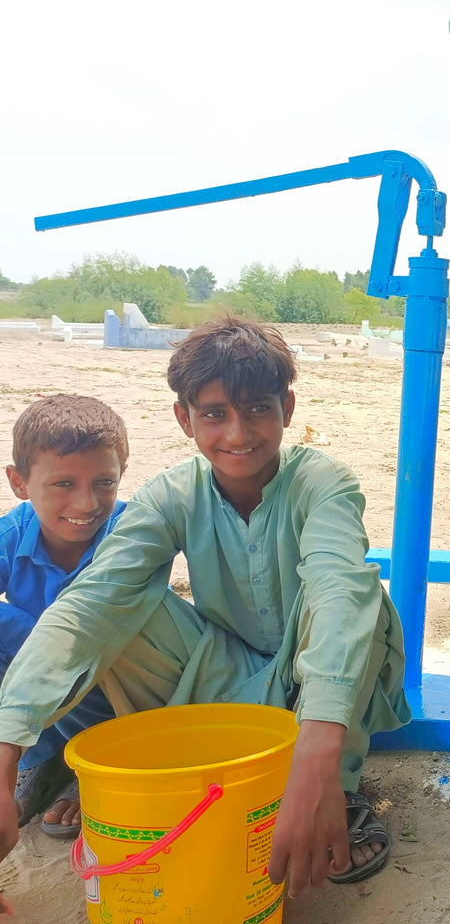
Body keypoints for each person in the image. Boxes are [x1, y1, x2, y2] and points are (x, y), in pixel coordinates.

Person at [0, 318, 410, 898]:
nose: (238, 433)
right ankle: (191, 770)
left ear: (287, 409)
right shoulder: (173, 494)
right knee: (113, 602)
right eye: (215, 414)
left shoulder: (323, 483)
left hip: (316, 684)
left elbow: (339, 593)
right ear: (184, 418)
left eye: (258, 409)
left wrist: (317, 760)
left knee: (360, 603)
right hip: (225, 677)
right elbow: (91, 603)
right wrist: (5, 750)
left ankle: (335, 787)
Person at [1, 394, 124, 840]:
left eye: (104, 482)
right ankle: (39, 760)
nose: (88, 502)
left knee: (76, 647)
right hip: (44, 683)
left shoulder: (130, 533)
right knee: (32, 644)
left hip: (110, 687)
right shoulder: (12, 533)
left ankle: (94, 763)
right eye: (64, 484)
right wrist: (30, 635)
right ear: (19, 483)